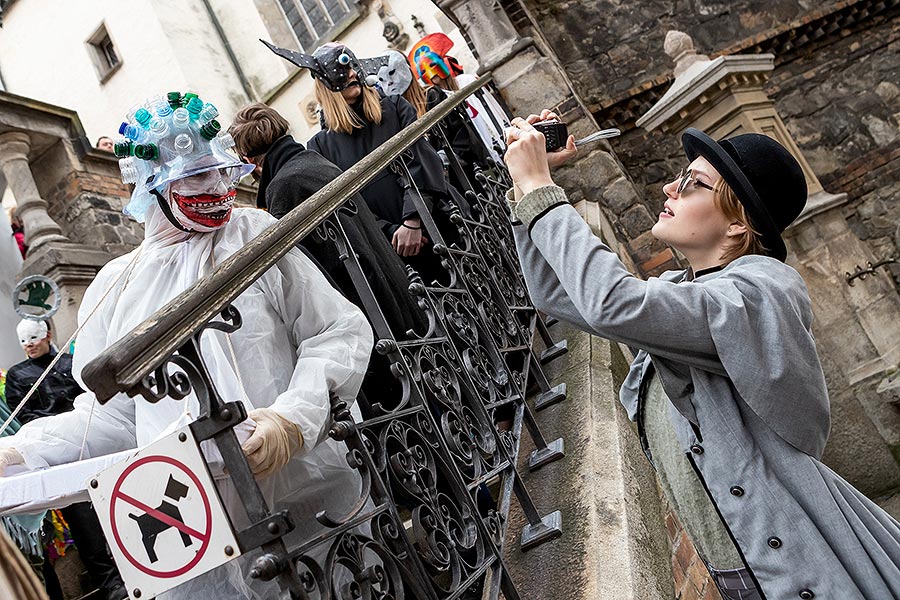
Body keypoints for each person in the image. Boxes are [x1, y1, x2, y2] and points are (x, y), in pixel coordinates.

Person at [503, 111, 900, 599]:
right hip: (740, 569)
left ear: (737, 227)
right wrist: (529, 189)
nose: (670, 187)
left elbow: (611, 303)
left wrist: (542, 188)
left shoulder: (757, 295)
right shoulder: (689, 295)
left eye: (692, 182)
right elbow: (556, 296)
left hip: (796, 562)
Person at [0, 91, 374, 599]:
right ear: (150, 188)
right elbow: (113, 418)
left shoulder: (253, 234)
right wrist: (23, 453)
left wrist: (293, 420)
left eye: (219, 171)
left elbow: (337, 332)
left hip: (303, 482)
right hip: (195, 520)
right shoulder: (116, 287)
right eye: (196, 177)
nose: (218, 187)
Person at [263, 41, 454, 285]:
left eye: (353, 65)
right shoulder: (320, 147)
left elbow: (421, 159)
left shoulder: (395, 108)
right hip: (392, 251)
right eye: (341, 69)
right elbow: (347, 205)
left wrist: (413, 220)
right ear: (324, 83)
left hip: (436, 225)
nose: (352, 73)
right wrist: (390, 232)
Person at [228, 102, 423, 338]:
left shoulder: (284, 185)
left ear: (249, 160)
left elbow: (302, 269)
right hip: (389, 286)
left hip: (368, 309)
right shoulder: (312, 160)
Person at [5, 320, 127, 600]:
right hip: (54, 454)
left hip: (95, 441)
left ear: (48, 334)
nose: (29, 345)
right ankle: (109, 583)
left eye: (34, 337)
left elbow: (94, 399)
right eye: (24, 340)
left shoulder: (70, 363)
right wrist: (48, 440)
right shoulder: (17, 375)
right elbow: (24, 415)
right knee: (83, 519)